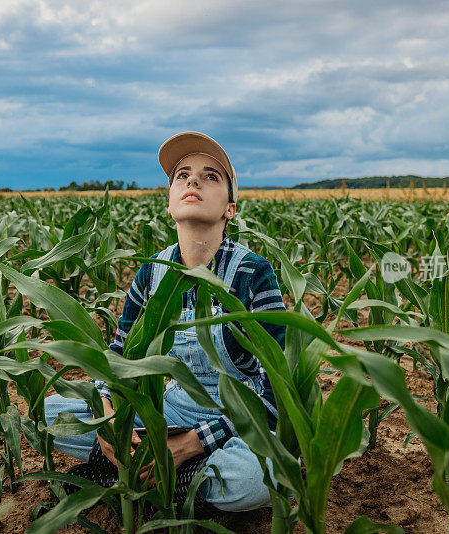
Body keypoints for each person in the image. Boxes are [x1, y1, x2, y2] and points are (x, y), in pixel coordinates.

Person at [44, 131, 286, 512]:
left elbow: (279, 390)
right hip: (172, 408)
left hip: (239, 414)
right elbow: (119, 355)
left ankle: (142, 472)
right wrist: (105, 412)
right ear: (169, 202)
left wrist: (194, 441)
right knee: (52, 415)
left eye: (211, 176)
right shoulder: (152, 274)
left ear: (230, 208)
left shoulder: (252, 274)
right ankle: (173, 474)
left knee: (249, 479)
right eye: (182, 175)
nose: (193, 181)